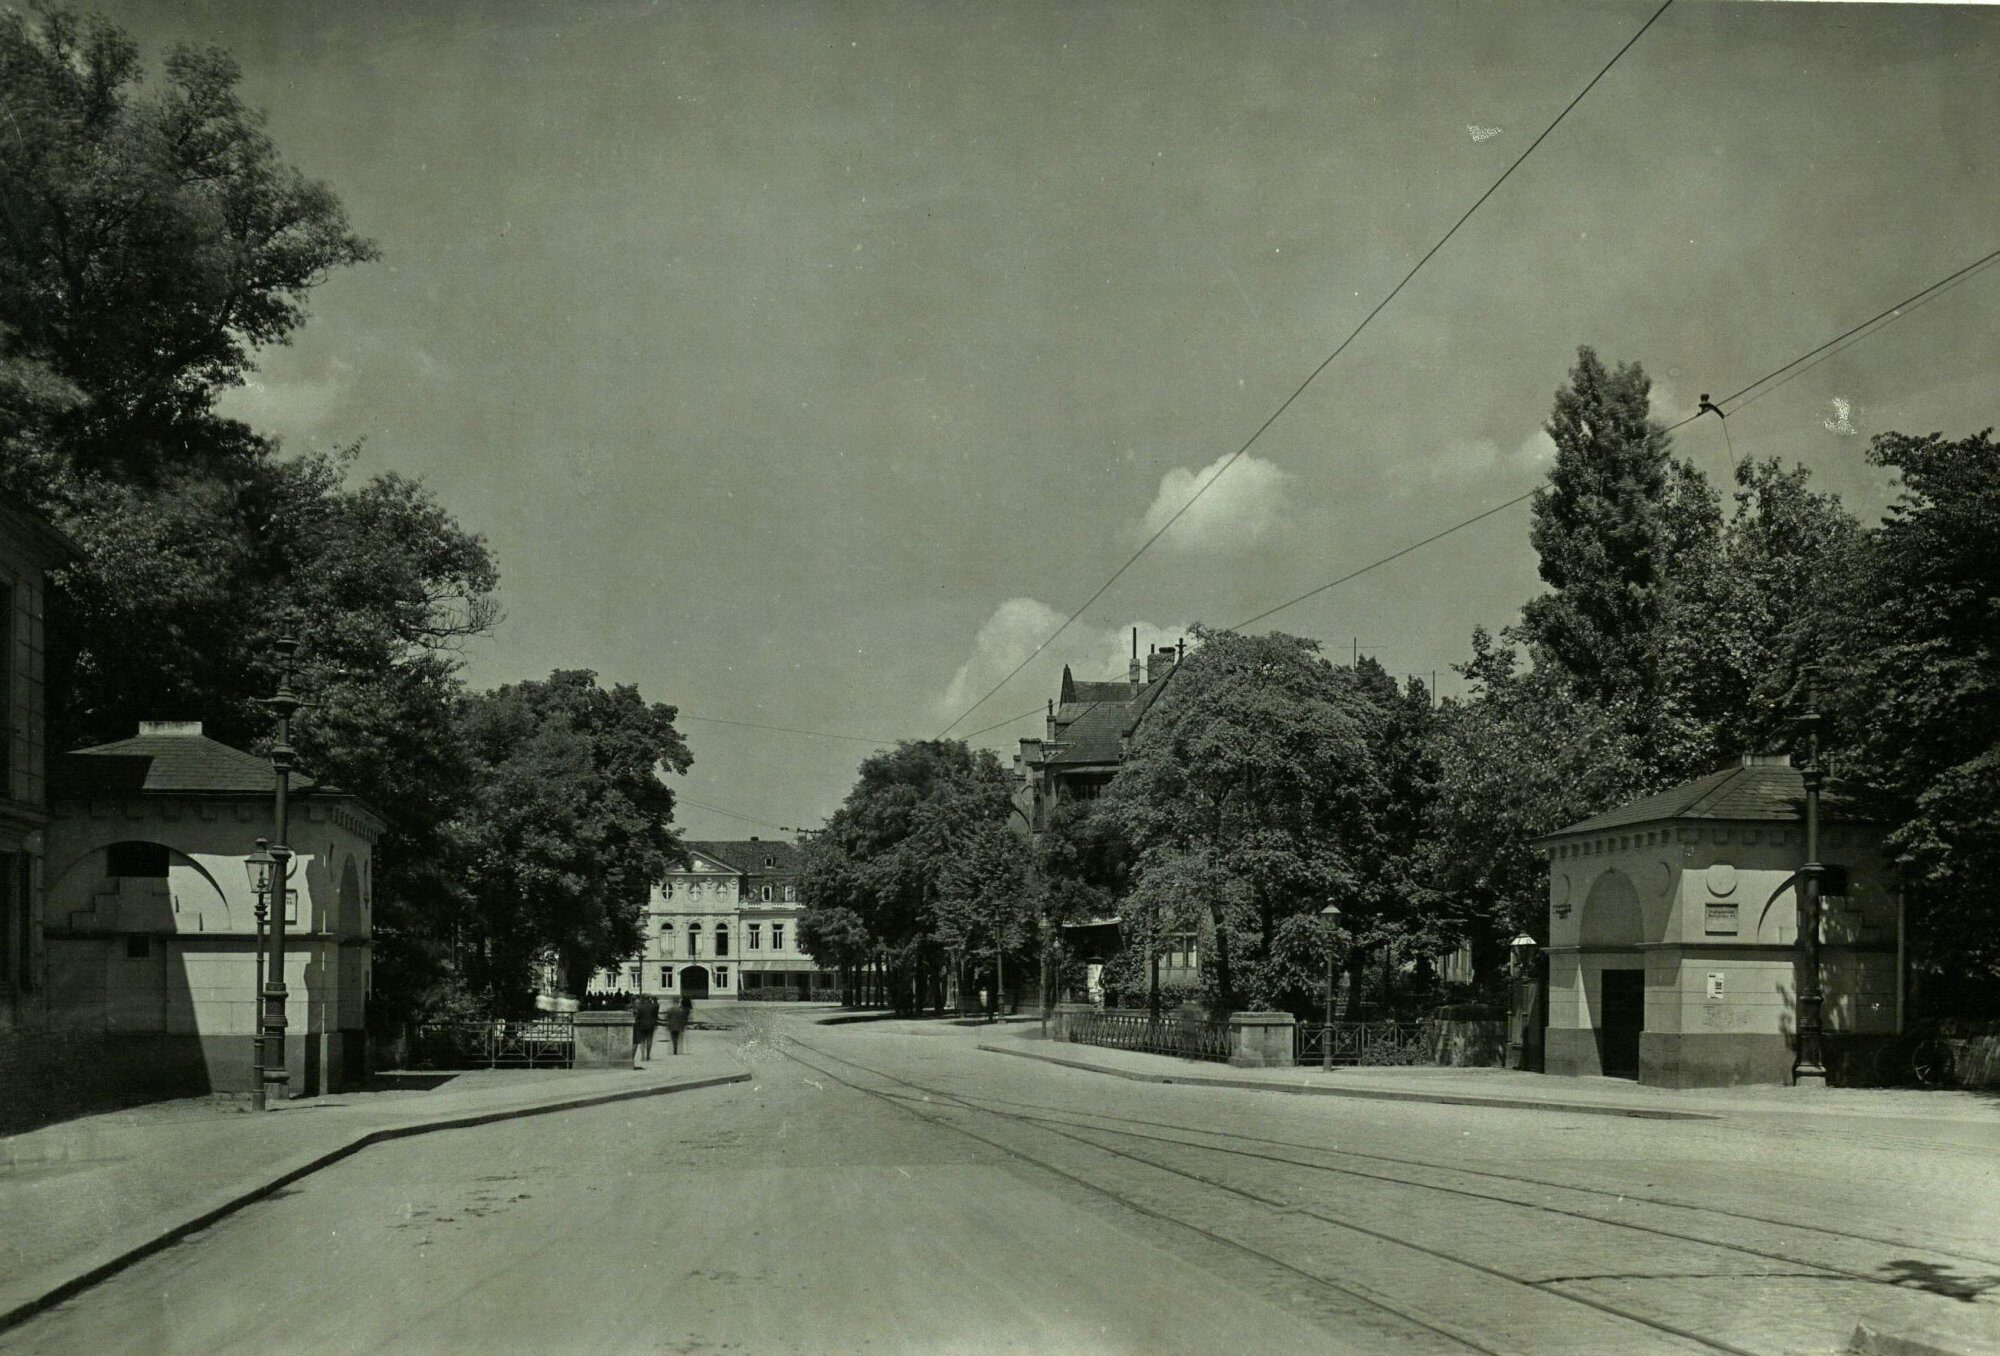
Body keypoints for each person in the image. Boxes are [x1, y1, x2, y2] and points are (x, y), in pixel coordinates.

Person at [632, 993, 660, 1067]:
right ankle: (648, 1055)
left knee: (642, 1041)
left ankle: (642, 1056)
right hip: (650, 1025)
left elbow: (638, 1017)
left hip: (642, 1025)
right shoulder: (652, 1006)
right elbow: (655, 1016)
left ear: (643, 999)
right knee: (649, 1040)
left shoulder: (641, 1007)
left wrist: (637, 1021)